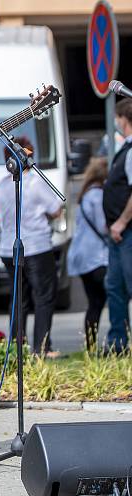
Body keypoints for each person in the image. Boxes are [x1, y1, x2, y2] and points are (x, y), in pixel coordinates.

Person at [0, 137, 63, 356]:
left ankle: (17, 346)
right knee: (43, 297)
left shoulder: (3, 185)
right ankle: (42, 347)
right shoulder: (35, 181)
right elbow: (55, 209)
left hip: (8, 248)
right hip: (37, 247)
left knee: (18, 299)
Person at [67, 157, 109, 352]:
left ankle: (90, 346)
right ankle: (114, 341)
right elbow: (103, 226)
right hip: (96, 258)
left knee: (95, 302)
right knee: (109, 297)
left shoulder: (85, 194)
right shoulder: (98, 195)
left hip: (81, 257)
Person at [102, 98, 132, 353]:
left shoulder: (131, 151)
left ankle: (119, 341)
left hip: (125, 232)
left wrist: (120, 223)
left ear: (124, 119)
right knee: (115, 287)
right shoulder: (126, 149)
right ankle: (118, 342)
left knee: (126, 285)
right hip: (119, 233)